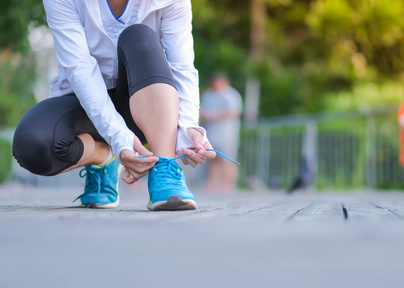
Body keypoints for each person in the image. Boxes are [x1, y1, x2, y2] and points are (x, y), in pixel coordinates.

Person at [12, 0, 218, 211]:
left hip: (144, 107)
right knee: (32, 145)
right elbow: (80, 69)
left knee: (139, 36)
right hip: (86, 106)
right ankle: (103, 157)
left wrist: (188, 126)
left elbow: (181, 66)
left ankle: (165, 167)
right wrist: (119, 140)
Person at [200, 73, 242, 192]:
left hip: (227, 133)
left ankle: (228, 184)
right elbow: (202, 110)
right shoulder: (208, 95)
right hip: (212, 132)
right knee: (212, 158)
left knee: (228, 158)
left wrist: (215, 115)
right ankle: (212, 183)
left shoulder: (231, 94)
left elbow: (235, 112)